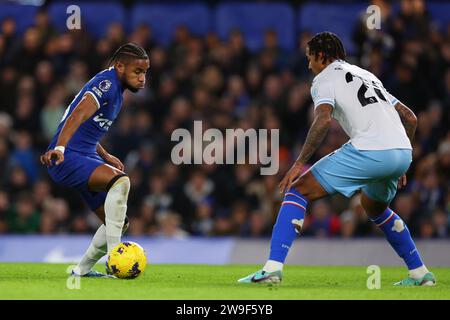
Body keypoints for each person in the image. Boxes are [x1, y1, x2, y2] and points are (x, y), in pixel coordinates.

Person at [238, 32, 435, 286]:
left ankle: (272, 269)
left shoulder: (324, 78)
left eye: (310, 58)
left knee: (298, 190)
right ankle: (420, 273)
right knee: (375, 207)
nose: (309, 65)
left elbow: (323, 119)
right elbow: (410, 118)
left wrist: (299, 163)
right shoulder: (368, 75)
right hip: (401, 153)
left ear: (321, 56)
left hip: (370, 150)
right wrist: (400, 158)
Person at [40, 43, 149, 277]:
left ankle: (81, 271)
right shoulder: (107, 84)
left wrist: (104, 155)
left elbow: (86, 126)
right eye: (138, 72)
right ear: (120, 66)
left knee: (117, 222)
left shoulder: (116, 88)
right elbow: (77, 114)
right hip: (67, 157)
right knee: (121, 182)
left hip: (84, 154)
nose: (143, 79)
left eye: (145, 73)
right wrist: (59, 147)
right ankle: (115, 260)